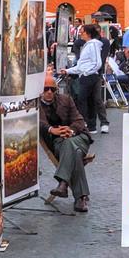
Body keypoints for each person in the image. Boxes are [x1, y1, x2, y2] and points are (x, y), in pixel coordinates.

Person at [39, 80, 93, 212]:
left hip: (79, 137)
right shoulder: (35, 105)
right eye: (46, 89)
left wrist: (70, 130)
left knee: (71, 144)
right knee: (76, 152)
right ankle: (80, 198)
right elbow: (39, 123)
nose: (49, 92)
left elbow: (79, 121)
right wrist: (53, 130)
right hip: (59, 143)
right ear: (40, 91)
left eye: (52, 89)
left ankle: (63, 183)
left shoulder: (66, 99)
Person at [59, 24, 103, 131]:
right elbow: (81, 66)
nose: (80, 34)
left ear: (87, 34)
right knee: (87, 101)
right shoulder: (90, 45)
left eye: (82, 32)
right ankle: (89, 125)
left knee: (83, 100)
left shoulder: (92, 45)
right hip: (87, 75)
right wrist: (68, 71)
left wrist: (86, 73)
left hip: (88, 76)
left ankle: (86, 124)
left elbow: (97, 63)